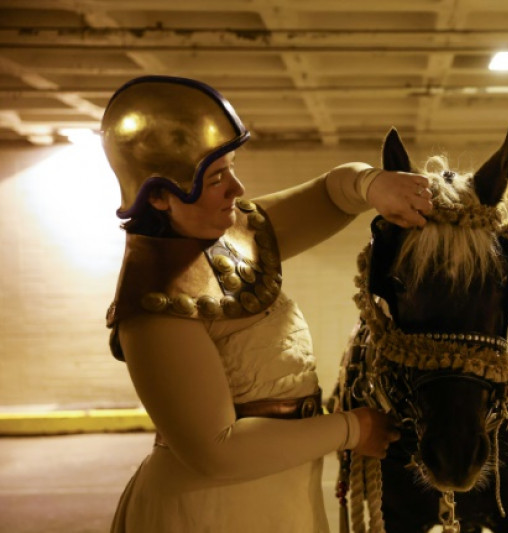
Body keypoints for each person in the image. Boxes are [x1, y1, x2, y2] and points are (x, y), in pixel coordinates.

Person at [100, 75, 433, 532]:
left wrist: (373, 185)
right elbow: (217, 450)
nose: (236, 188)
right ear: (157, 194)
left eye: (231, 167)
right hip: (209, 512)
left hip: (279, 496)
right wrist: (353, 428)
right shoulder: (155, 307)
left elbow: (333, 193)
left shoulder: (226, 236)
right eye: (215, 177)